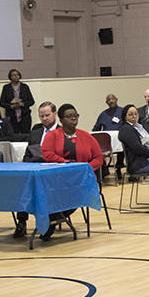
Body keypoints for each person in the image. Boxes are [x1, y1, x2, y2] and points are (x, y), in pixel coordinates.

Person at [39, 103, 104, 241]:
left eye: (75, 116)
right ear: (61, 120)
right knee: (46, 191)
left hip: (80, 178)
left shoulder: (86, 136)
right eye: (69, 116)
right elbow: (48, 154)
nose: (74, 119)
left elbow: (99, 157)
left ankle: (55, 217)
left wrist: (86, 168)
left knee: (76, 192)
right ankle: (53, 218)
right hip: (57, 176)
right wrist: (66, 164)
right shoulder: (52, 136)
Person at [14, 101, 60, 238]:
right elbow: (27, 156)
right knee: (21, 186)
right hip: (33, 171)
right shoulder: (35, 132)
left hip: (53, 173)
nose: (44, 118)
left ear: (55, 114)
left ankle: (50, 223)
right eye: (41, 116)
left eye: (47, 115)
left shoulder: (62, 132)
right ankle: (21, 222)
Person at [0, 69, 35, 134]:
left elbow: (31, 101)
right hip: (12, 116)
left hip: (24, 115)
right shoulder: (6, 88)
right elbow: (1, 103)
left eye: (17, 75)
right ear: (10, 77)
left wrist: (22, 104)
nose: (15, 76)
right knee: (13, 135)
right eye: (13, 75)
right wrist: (11, 106)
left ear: (19, 76)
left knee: (26, 135)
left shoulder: (25, 87)